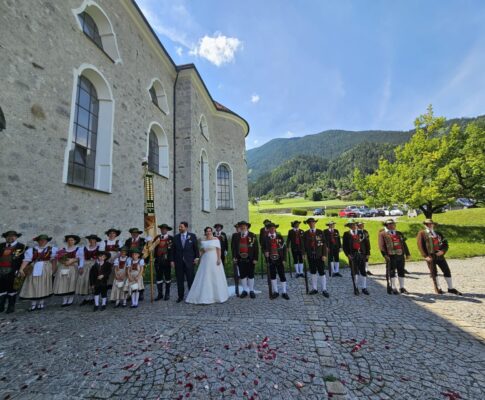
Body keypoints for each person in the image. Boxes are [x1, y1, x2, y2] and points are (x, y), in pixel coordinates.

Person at [417, 219, 462, 295]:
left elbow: (445, 244)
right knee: (434, 272)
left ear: (433, 225)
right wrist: (425, 256)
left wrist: (443, 251)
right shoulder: (422, 233)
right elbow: (420, 245)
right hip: (430, 256)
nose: (430, 225)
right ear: (425, 225)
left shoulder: (438, 233)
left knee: (447, 270)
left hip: (440, 255)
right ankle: (438, 288)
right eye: (428, 224)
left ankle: (450, 288)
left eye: (431, 224)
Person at [186, 227, 229, 304]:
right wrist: (198, 257)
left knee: (215, 276)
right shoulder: (203, 240)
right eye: (207, 231)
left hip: (214, 259)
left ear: (212, 232)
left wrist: (219, 259)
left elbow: (218, 250)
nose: (209, 232)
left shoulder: (216, 239)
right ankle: (204, 295)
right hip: (205, 260)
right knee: (205, 276)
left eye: (210, 231)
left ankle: (217, 295)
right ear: (205, 232)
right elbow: (201, 251)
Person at [19, 234, 57, 311]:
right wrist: (21, 269)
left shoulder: (52, 249)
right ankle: (33, 304)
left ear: (47, 241)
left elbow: (54, 261)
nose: (42, 242)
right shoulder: (31, 250)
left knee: (43, 285)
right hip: (34, 268)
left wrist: (53, 270)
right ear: (38, 241)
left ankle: (41, 303)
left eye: (44, 240)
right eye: (41, 240)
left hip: (45, 269)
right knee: (33, 285)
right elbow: (26, 260)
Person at [378, 220, 410, 294]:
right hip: (391, 255)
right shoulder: (382, 234)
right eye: (390, 224)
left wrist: (407, 253)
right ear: (386, 225)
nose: (392, 225)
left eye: (393, 224)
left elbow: (404, 244)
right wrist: (385, 255)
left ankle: (402, 287)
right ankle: (393, 287)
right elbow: (381, 246)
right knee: (392, 271)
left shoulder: (399, 233)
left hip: (400, 254)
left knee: (401, 270)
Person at [172, 222, 200, 303]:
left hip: (190, 262)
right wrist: (172, 261)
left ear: (186, 227)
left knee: (190, 280)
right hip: (178, 262)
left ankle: (191, 296)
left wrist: (197, 258)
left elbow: (196, 248)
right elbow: (173, 251)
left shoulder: (192, 236)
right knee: (179, 280)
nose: (179, 228)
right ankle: (180, 296)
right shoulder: (176, 237)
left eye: (181, 227)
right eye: (179, 227)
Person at [53, 235, 83, 306]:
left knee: (71, 282)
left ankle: (70, 299)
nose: (70, 241)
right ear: (67, 241)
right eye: (69, 240)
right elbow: (58, 258)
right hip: (63, 267)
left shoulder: (78, 249)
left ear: (75, 241)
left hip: (73, 267)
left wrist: (72, 260)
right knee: (63, 282)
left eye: (72, 240)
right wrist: (64, 262)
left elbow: (80, 258)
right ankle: (64, 299)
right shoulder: (62, 249)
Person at [302, 218, 329, 297]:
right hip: (311, 256)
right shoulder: (305, 233)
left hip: (320, 255)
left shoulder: (320, 232)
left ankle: (324, 289)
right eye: (310, 223)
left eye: (313, 222)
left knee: (322, 272)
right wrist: (303, 253)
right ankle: (314, 288)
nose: (311, 224)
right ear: (308, 224)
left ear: (315, 223)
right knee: (313, 272)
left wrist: (324, 255)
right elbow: (303, 245)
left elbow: (324, 244)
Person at [0, 230, 26, 314]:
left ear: (16, 237)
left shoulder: (21, 247)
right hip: (1, 271)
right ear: (5, 237)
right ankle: (1, 306)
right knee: (1, 289)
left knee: (12, 289)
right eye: (8, 236)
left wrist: (21, 270)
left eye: (13, 236)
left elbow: (25, 260)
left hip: (14, 271)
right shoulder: (1, 246)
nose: (10, 237)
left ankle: (11, 307)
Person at [231, 221, 259, 298]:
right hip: (240, 258)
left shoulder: (252, 235)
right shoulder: (235, 236)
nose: (243, 227)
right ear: (239, 227)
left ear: (247, 227)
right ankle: (245, 290)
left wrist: (256, 258)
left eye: (244, 226)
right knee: (242, 275)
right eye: (241, 226)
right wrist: (234, 257)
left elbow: (256, 248)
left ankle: (251, 290)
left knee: (251, 274)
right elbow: (233, 248)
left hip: (250, 258)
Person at [342, 220, 369, 295]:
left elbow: (366, 243)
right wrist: (348, 254)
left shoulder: (362, 233)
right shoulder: (346, 234)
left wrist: (367, 253)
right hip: (352, 255)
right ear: (349, 226)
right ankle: (356, 287)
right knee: (354, 272)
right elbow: (344, 246)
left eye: (354, 225)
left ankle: (364, 288)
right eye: (351, 225)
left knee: (363, 271)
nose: (353, 226)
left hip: (361, 254)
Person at [263, 223, 289, 299]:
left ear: (275, 229)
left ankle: (284, 292)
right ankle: (276, 291)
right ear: (268, 229)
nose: (272, 230)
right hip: (270, 259)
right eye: (270, 228)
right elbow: (263, 248)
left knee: (282, 275)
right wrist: (265, 252)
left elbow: (284, 249)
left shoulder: (280, 236)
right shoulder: (265, 238)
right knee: (273, 275)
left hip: (280, 259)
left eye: (273, 228)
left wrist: (284, 259)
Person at [77, 234, 101, 306]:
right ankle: (87, 298)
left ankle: (93, 298)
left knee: (93, 281)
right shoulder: (83, 248)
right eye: (90, 239)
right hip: (86, 265)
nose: (91, 241)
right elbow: (81, 259)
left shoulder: (99, 248)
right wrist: (80, 267)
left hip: (95, 265)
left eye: (93, 239)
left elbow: (100, 258)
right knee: (85, 281)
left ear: (96, 241)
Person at [153, 224, 174, 301]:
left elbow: (172, 251)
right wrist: (149, 241)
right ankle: (160, 294)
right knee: (159, 278)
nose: (163, 230)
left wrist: (172, 260)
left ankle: (167, 294)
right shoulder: (156, 238)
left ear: (167, 230)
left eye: (165, 229)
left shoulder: (171, 238)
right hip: (158, 261)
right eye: (162, 229)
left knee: (168, 278)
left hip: (167, 261)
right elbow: (151, 247)